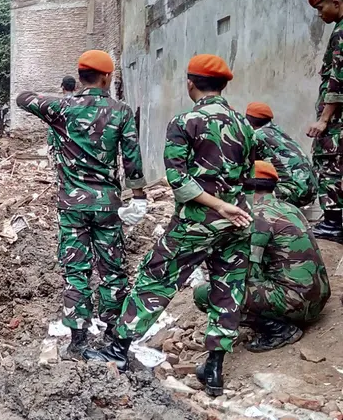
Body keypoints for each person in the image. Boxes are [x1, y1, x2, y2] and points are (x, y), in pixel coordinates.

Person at [83, 55, 255, 398]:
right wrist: (230, 206)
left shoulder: (186, 121)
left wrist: (216, 204)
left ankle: (117, 349)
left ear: (190, 83)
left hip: (197, 223)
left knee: (155, 279)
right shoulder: (244, 124)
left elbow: (178, 180)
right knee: (228, 289)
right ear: (223, 86)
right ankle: (215, 368)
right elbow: (248, 176)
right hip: (238, 221)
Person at [16, 50, 148, 357]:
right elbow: (132, 159)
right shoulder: (121, 111)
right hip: (108, 205)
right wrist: (139, 195)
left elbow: (23, 98)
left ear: (80, 75)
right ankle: (114, 335)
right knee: (113, 270)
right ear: (106, 77)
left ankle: (78, 340)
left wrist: (62, 99)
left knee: (76, 270)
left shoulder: (62, 108)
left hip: (72, 206)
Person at [193, 161, 330, 353]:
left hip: (297, 304)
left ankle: (278, 330)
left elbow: (245, 272)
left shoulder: (256, 216)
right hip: (317, 298)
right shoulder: (289, 208)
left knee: (204, 294)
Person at [308, 0, 343, 240]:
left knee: (328, 162)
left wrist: (323, 120)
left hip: (337, 121)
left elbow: (338, 79)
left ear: (337, 3)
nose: (320, 14)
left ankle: (333, 223)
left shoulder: (340, 34)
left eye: (321, 8)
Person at [248, 102, 317, 208]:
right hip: (311, 189)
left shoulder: (257, 136)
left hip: (294, 190)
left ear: (249, 120)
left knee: (244, 194)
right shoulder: (277, 132)